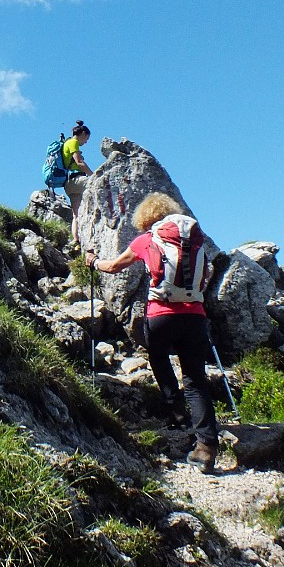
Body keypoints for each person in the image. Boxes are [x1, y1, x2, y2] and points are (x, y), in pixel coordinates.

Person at [84, 191, 221, 473]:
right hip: (195, 316)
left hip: (161, 315)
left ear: (146, 217)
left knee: (158, 358)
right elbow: (207, 275)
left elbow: (113, 266)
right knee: (195, 378)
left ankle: (178, 414)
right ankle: (206, 447)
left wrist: (93, 262)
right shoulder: (195, 241)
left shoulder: (148, 239)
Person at [62, 121, 93, 250]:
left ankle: (76, 241)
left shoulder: (66, 143)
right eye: (86, 138)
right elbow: (79, 162)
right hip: (77, 179)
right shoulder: (73, 142)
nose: (86, 142)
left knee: (76, 214)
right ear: (83, 134)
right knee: (98, 188)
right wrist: (94, 175)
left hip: (68, 184)